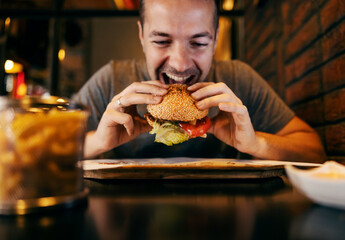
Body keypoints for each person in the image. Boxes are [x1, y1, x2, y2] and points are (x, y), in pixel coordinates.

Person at [72, 0, 326, 163]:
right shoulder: (111, 81)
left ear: (215, 39)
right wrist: (97, 142)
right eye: (161, 41)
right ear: (141, 36)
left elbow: (313, 151)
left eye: (199, 43)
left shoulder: (240, 80)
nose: (181, 64)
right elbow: (36, 155)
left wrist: (255, 143)